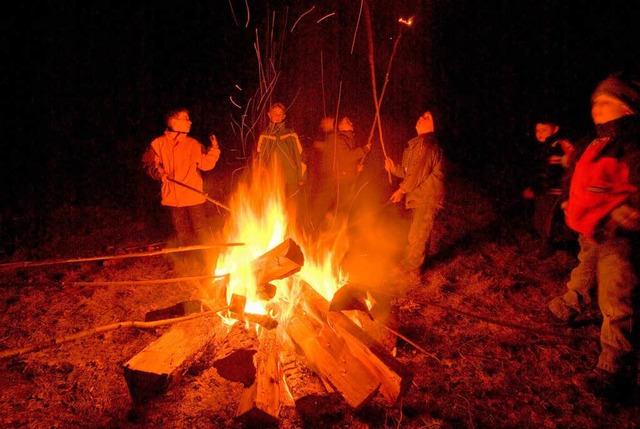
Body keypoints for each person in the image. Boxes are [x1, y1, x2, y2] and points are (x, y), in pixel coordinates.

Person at [547, 72, 640, 401]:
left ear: (627, 109)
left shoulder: (630, 144)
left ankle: (614, 366)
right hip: (590, 228)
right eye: (595, 102)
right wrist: (568, 199)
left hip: (617, 235)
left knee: (615, 296)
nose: (597, 107)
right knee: (585, 268)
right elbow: (575, 174)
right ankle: (572, 302)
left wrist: (628, 210)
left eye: (607, 102)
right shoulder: (594, 142)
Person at [142, 108, 221, 274]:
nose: (190, 122)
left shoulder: (193, 144)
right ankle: (188, 262)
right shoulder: (158, 144)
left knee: (201, 230)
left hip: (193, 195)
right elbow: (148, 164)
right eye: (186, 118)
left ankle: (211, 261)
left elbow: (206, 164)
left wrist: (214, 149)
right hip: (174, 196)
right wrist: (159, 173)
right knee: (182, 231)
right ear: (173, 121)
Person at [384, 110, 445, 274]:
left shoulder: (428, 145)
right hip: (419, 196)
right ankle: (413, 265)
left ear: (434, 125)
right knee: (417, 233)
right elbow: (409, 172)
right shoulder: (416, 146)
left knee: (417, 234)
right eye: (421, 115)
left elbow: (418, 172)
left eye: (427, 118)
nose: (421, 118)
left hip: (427, 197)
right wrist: (393, 168)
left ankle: (410, 270)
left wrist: (402, 190)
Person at [521, 118, 575, 258]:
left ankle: (548, 247)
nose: (539, 133)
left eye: (544, 129)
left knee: (547, 219)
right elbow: (540, 170)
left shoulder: (558, 145)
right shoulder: (546, 146)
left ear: (555, 129)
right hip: (546, 190)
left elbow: (552, 172)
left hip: (555, 190)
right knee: (542, 217)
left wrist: (537, 188)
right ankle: (549, 242)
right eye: (537, 130)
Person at [312, 116, 371, 232]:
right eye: (346, 121)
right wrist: (363, 150)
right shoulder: (339, 139)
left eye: (350, 120)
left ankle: (335, 234)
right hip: (340, 182)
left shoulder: (347, 138)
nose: (351, 122)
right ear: (340, 127)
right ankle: (326, 232)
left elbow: (343, 161)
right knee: (340, 209)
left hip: (344, 180)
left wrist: (355, 168)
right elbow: (346, 157)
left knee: (343, 209)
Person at [256, 103, 307, 231]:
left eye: (280, 115)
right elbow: (261, 158)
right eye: (274, 114)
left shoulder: (290, 134)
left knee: (292, 207)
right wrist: (262, 175)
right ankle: (276, 233)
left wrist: (301, 176)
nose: (277, 117)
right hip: (273, 179)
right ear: (269, 115)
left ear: (284, 116)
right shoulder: (265, 136)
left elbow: (299, 156)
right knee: (275, 206)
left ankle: (292, 233)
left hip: (291, 178)